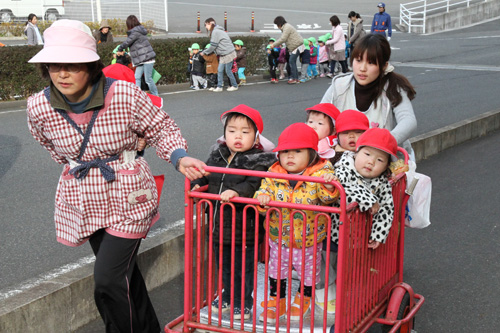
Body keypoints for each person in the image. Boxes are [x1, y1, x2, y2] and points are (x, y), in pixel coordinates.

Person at [26, 19, 207, 333]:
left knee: (107, 279)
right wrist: (73, 164)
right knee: (124, 276)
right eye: (54, 65)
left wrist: (178, 156)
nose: (62, 74)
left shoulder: (122, 93)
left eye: (72, 65)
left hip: (128, 195)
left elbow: (161, 128)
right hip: (85, 197)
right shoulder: (39, 107)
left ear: (91, 65)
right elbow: (47, 142)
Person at [191, 105, 276, 320]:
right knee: (224, 266)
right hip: (218, 225)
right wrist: (197, 183)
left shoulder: (259, 159)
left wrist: (236, 191)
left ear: (256, 136)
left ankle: (243, 303)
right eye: (232, 130)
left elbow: (255, 183)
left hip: (244, 228)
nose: (237, 136)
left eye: (245, 131)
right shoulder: (218, 154)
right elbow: (208, 174)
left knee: (243, 269)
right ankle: (227, 296)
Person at [255, 123, 339, 323]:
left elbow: (329, 199)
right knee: (276, 270)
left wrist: (328, 185)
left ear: (311, 154)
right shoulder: (274, 172)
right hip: (279, 236)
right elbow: (262, 190)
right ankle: (278, 301)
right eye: (285, 152)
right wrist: (263, 199)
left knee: (308, 273)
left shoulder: (320, 173)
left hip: (308, 239)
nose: (290, 156)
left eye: (297, 151)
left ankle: (304, 298)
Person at [321, 34, 417, 158]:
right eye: (358, 60)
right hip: (343, 159)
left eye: (371, 63)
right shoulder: (339, 85)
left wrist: (384, 141)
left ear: (384, 65)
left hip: (382, 160)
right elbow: (320, 117)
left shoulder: (393, 88)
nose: (362, 68)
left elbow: (408, 120)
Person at [330, 128, 397, 248]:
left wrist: (378, 235)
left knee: (355, 265)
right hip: (334, 233)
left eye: (380, 160)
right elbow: (344, 187)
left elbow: (387, 208)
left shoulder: (382, 181)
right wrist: (369, 199)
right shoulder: (344, 167)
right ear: (356, 153)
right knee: (332, 264)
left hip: (361, 239)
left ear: (386, 166)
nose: (371, 162)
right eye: (367, 154)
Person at [116, 15, 159, 96]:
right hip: (141, 58)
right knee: (137, 77)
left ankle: (155, 95)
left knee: (148, 79)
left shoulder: (135, 32)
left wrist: (120, 49)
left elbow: (127, 42)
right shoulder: (138, 30)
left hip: (147, 58)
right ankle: (137, 95)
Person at [200, 18, 238, 92]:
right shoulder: (217, 30)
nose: (205, 27)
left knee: (228, 71)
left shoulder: (215, 32)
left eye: (206, 25)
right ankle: (219, 86)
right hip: (224, 54)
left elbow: (213, 45)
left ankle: (234, 85)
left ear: (209, 24)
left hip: (228, 53)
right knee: (220, 70)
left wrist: (204, 52)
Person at [269, 16, 304, 84]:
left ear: (279, 23)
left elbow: (283, 39)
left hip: (297, 46)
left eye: (277, 24)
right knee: (292, 62)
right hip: (296, 46)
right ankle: (295, 78)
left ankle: (294, 78)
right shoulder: (286, 27)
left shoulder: (286, 27)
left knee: (291, 61)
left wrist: (273, 44)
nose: (277, 26)